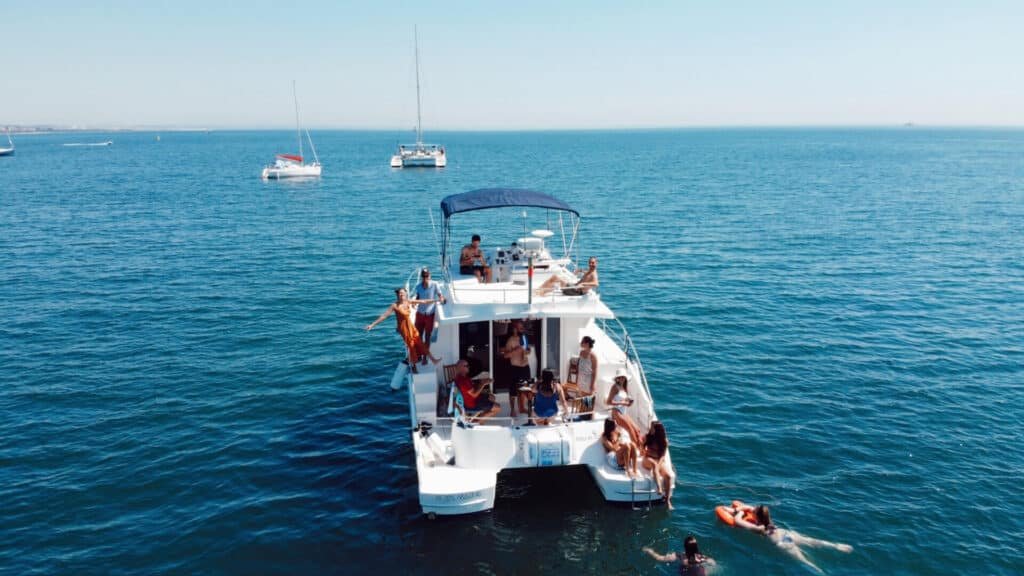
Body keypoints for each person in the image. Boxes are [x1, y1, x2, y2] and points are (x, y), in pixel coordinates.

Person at [730, 503, 853, 574]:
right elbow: (754, 508)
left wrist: (738, 511)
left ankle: (821, 573)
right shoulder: (767, 520)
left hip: (782, 544)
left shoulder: (759, 528)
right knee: (813, 541)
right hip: (787, 534)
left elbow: (738, 521)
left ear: (756, 516)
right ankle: (836, 546)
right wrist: (745, 508)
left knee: (805, 561)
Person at [365, 288, 442, 372]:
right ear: (397, 295)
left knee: (420, 343)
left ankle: (433, 360)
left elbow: (423, 301)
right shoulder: (394, 305)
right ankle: (414, 367)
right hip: (404, 329)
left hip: (411, 327)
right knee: (411, 346)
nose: (401, 295)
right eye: (399, 294)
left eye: (402, 293)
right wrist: (372, 325)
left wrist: (437, 300)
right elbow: (384, 316)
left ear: (405, 294)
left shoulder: (408, 301)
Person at [643, 535, 716, 576]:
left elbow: (659, 558)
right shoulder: (701, 557)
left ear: (685, 546)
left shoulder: (679, 556)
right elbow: (713, 563)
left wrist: (649, 551)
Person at [413, 267, 445, 360]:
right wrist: (414, 303)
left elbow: (440, 295)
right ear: (421, 277)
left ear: (430, 276)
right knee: (418, 336)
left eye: (427, 276)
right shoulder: (418, 286)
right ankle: (418, 354)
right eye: (423, 276)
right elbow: (418, 297)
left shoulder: (435, 284)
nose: (425, 278)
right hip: (420, 314)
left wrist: (441, 298)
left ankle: (425, 357)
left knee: (427, 336)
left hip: (430, 315)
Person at [642, 421, 675, 510]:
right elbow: (642, 448)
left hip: (659, 460)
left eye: (652, 427)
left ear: (657, 430)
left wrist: (659, 464)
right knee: (654, 465)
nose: (650, 428)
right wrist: (644, 451)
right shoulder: (647, 437)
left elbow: (663, 455)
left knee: (668, 476)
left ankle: (667, 500)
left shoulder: (664, 441)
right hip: (647, 459)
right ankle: (659, 487)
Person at [502, 320, 532, 417]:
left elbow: (528, 351)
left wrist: (528, 350)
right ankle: (512, 410)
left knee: (525, 388)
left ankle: (522, 408)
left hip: (525, 366)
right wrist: (515, 350)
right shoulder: (511, 340)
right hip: (514, 368)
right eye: (520, 328)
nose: (521, 329)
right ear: (514, 329)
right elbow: (505, 355)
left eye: (522, 327)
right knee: (513, 390)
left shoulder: (524, 338)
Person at [606, 368, 643, 446]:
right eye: (620, 377)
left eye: (623, 377)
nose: (622, 379)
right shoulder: (615, 387)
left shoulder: (624, 387)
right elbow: (608, 402)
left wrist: (628, 401)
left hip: (623, 412)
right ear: (617, 378)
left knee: (638, 430)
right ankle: (637, 448)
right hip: (616, 412)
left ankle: (640, 445)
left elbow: (623, 399)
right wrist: (623, 403)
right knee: (630, 429)